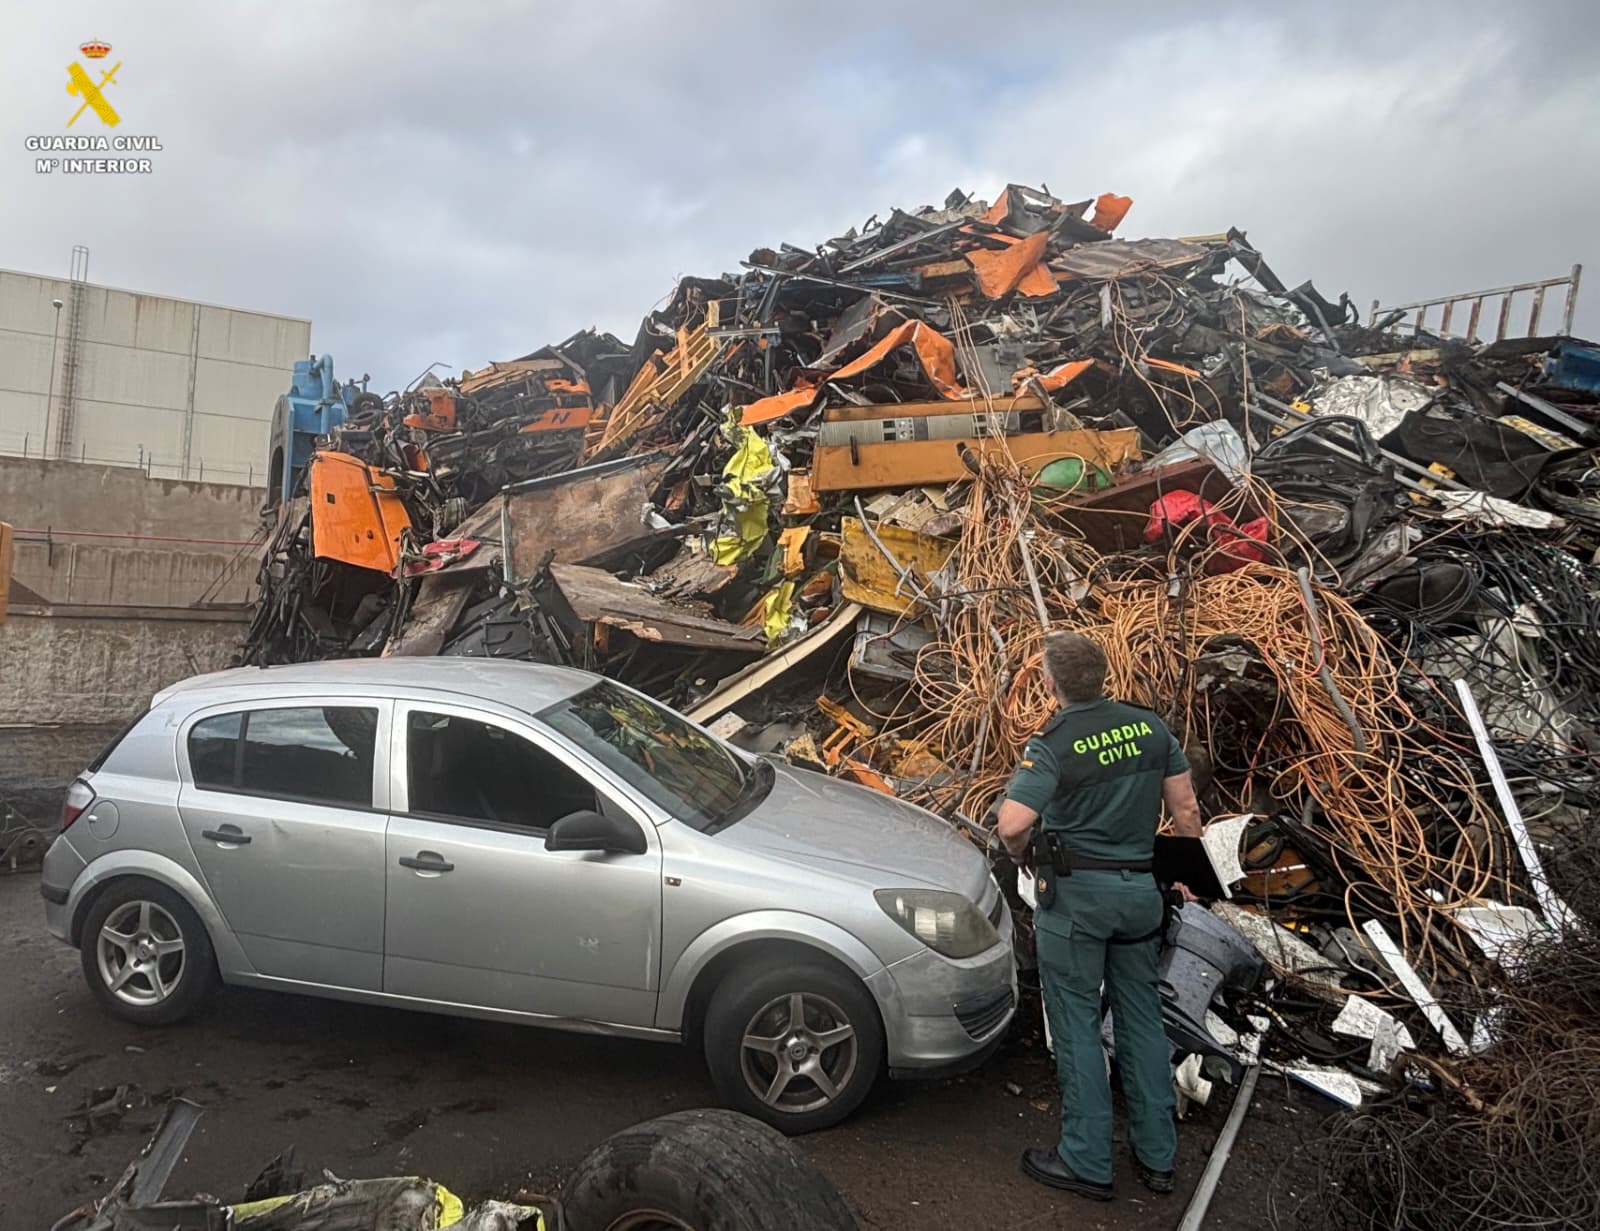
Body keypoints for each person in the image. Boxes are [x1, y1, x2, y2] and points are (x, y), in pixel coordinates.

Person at [996, 630, 1202, 1201]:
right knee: (1143, 1021)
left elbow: (1013, 824)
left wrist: (1022, 856)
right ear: (1104, 674)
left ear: (1050, 682)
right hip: (1140, 898)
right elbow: (1186, 809)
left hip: (1077, 905)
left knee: (1078, 1025)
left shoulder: (1053, 743)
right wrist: (1186, 876)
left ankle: (1086, 1160)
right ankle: (1157, 1158)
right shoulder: (1150, 728)